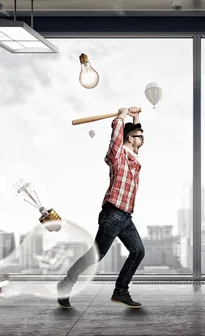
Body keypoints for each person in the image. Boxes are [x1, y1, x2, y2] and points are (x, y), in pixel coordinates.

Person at [57, 106, 145, 309]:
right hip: (113, 214)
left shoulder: (133, 159)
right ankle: (65, 285)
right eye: (139, 136)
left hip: (125, 217)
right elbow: (117, 137)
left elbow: (134, 133)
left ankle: (120, 292)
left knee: (138, 251)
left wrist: (136, 117)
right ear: (130, 139)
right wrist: (121, 117)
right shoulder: (118, 157)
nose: (143, 139)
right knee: (95, 256)